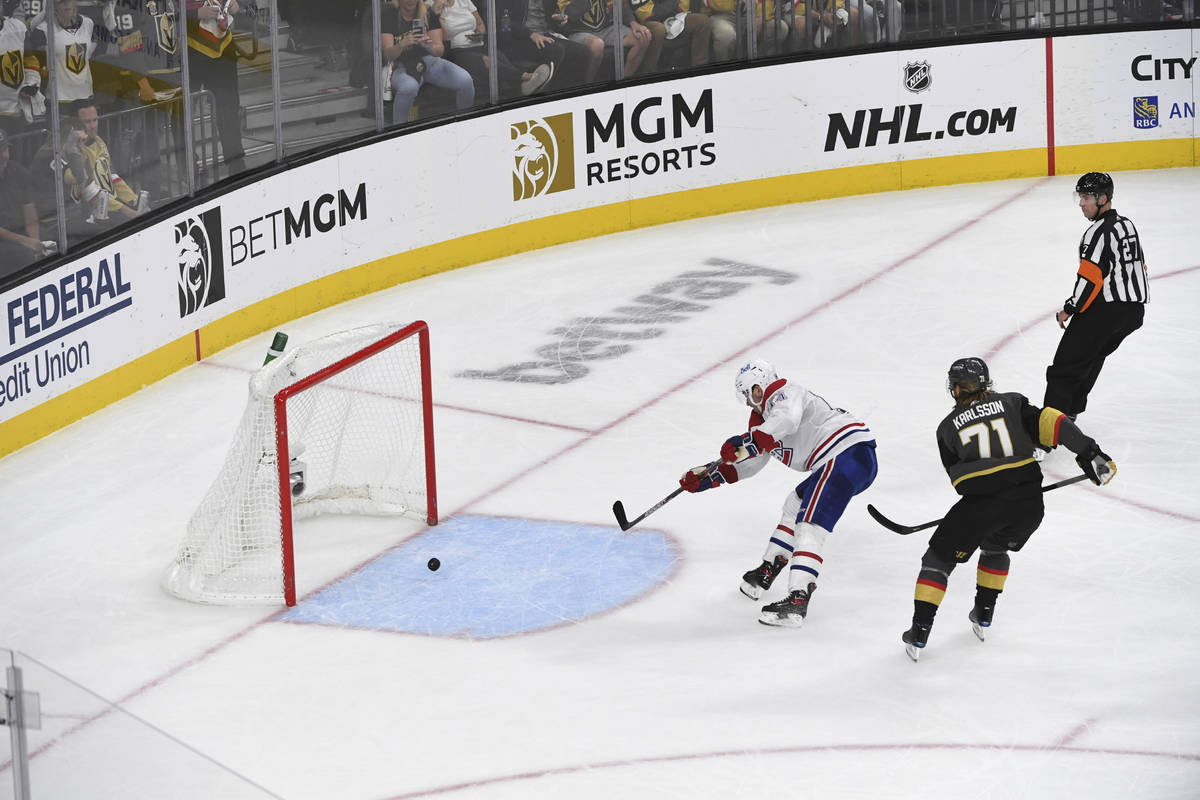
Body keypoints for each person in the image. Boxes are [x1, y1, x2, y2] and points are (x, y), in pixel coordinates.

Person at [901, 357, 1116, 661]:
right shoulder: (1014, 404)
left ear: (954, 388)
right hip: (1028, 505)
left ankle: (920, 630)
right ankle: (983, 613)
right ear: (986, 383)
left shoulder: (947, 428)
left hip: (982, 506)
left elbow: (959, 479)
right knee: (995, 546)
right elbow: (1055, 421)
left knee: (937, 560)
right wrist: (1090, 453)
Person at [679, 359, 878, 628]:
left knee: (810, 524)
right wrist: (711, 476)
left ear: (760, 386)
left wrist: (746, 441)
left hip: (847, 453)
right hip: (842, 460)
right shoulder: (764, 424)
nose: (749, 402)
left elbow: (786, 419)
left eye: (750, 393)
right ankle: (767, 570)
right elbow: (751, 461)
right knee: (794, 505)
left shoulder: (785, 394)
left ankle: (797, 599)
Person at [1044, 172, 1149, 420]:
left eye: (1086, 197)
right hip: (1133, 312)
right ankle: (1070, 414)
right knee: (1091, 358)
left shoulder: (1097, 233)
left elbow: (1090, 279)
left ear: (1102, 198)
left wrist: (1069, 308)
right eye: (1080, 197)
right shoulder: (1126, 224)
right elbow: (1139, 267)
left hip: (1106, 313)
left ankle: (1049, 429)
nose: (1081, 203)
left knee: (1064, 367)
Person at [380, 0, 474, 125]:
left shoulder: (427, 12)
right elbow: (387, 55)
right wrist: (402, 45)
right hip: (402, 66)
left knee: (465, 80)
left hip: (430, 62)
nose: (411, 1)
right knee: (409, 87)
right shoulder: (390, 14)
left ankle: (465, 122)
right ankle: (399, 128)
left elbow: (439, 50)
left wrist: (429, 46)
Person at [434, 0, 553, 98]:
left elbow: (480, 23)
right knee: (487, 61)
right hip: (457, 50)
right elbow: (442, 37)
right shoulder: (432, 5)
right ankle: (529, 77)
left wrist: (480, 33)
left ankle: (522, 87)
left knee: (499, 56)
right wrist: (438, 13)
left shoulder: (464, 1)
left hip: (478, 43)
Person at [61, 99, 147, 229]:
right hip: (89, 216)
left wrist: (132, 199)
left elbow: (111, 174)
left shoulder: (99, 141)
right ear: (75, 125)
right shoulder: (72, 152)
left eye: (95, 120)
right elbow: (88, 190)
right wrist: (129, 212)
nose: (93, 126)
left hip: (111, 207)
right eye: (87, 122)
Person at [185, 0, 244, 174]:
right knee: (185, 112)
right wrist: (195, 14)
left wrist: (238, 4)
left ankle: (236, 162)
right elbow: (163, 11)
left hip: (224, 48)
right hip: (189, 48)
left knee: (228, 108)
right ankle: (189, 167)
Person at [495, 0, 600, 90]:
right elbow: (503, 22)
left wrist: (559, 20)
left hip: (544, 34)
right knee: (556, 49)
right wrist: (530, 34)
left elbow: (552, 19)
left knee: (581, 51)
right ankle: (541, 92)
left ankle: (564, 92)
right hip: (518, 39)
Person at [27, 0, 104, 110]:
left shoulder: (88, 24)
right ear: (53, 6)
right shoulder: (43, 29)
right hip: (59, 100)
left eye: (69, 1)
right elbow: (35, 60)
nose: (67, 5)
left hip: (85, 96)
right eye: (61, 2)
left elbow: (90, 53)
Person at [557, 0, 654, 79]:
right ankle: (588, 88)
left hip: (606, 28)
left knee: (644, 36)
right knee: (597, 45)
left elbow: (620, 4)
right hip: (578, 32)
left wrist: (633, 23)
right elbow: (568, 15)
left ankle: (624, 83)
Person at [0, 129, 48, 277]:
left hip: (21, 234)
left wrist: (35, 240)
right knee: (23, 255)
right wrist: (26, 242)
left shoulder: (18, 172)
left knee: (59, 241)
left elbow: (30, 211)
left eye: (5, 149)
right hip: (4, 240)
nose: (4, 156)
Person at [631, 0, 710, 72]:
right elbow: (644, 14)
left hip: (674, 15)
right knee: (659, 29)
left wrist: (671, 6)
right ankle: (648, 75)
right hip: (648, 21)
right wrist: (672, 4)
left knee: (702, 21)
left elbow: (683, 7)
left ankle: (700, 71)